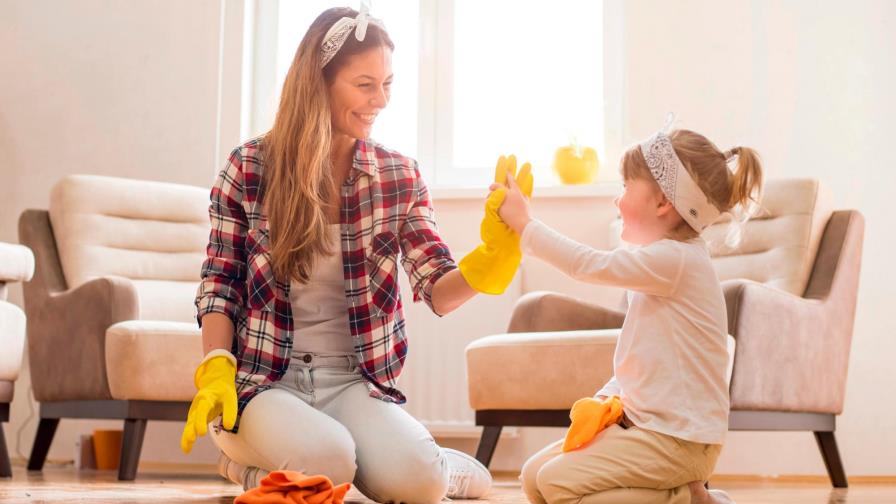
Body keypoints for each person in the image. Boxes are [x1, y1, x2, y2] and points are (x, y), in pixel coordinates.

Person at [178, 5, 532, 503]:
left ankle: (425, 466)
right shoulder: (250, 167)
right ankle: (245, 465)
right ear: (317, 82)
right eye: (365, 84)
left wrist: (492, 256)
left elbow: (439, 288)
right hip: (264, 380)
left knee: (421, 486)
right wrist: (216, 365)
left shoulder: (398, 176)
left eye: (388, 83)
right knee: (330, 460)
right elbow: (220, 283)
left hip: (351, 383)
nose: (380, 100)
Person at [496, 121, 762, 504]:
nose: (616, 200)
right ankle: (681, 491)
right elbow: (642, 359)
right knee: (535, 478)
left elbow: (589, 265)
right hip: (645, 429)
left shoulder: (677, 260)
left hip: (679, 441)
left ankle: (685, 499)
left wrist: (525, 225)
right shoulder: (662, 267)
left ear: (662, 203)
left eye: (624, 187)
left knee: (557, 484)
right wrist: (607, 400)